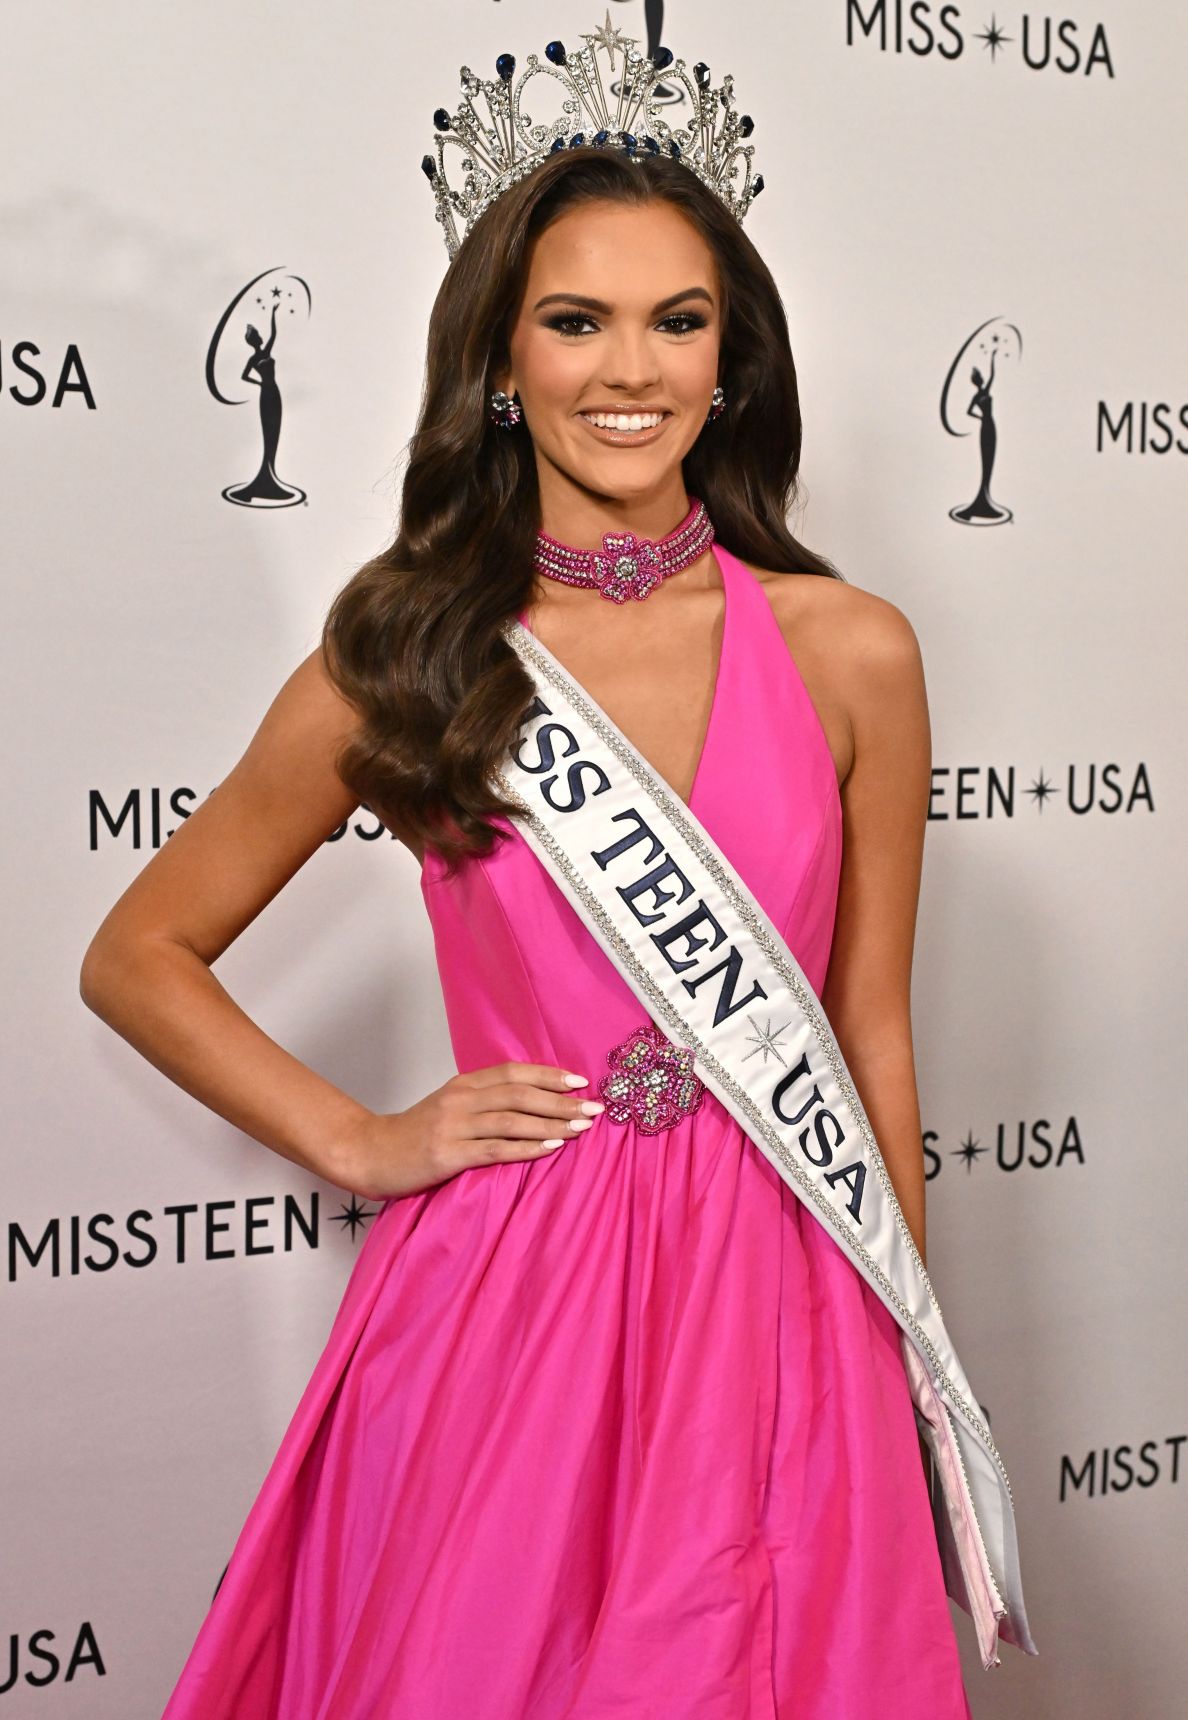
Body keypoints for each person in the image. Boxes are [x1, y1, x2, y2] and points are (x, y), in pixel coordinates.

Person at [79, 30, 992, 1719]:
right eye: (575, 319)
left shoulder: (853, 648)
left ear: (734, 360)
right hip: (514, 1308)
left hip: (789, 1286)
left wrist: (905, 1361)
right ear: (502, 357)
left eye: (679, 318)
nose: (627, 367)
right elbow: (140, 951)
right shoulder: (416, 647)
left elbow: (872, 1038)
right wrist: (365, 1137)